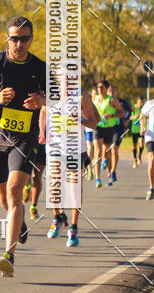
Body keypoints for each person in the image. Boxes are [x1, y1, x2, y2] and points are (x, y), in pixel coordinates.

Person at [0, 16, 47, 278]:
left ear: (31, 39)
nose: (19, 43)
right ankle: (19, 219)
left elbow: (59, 99)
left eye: (24, 38)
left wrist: (42, 99)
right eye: (14, 37)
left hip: (24, 139)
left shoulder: (39, 66)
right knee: (4, 199)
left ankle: (8, 255)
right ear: (7, 38)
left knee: (15, 191)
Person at [45, 89, 100, 246]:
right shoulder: (50, 94)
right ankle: (57, 218)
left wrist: (79, 121)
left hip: (76, 149)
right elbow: (43, 111)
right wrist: (42, 132)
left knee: (74, 190)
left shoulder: (82, 97)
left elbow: (95, 122)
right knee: (54, 185)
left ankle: (74, 228)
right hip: (55, 148)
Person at [93, 80, 124, 188]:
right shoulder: (95, 98)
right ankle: (97, 178)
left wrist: (111, 116)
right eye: (98, 87)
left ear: (106, 88)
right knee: (97, 151)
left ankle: (108, 170)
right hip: (97, 127)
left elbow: (122, 113)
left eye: (101, 87)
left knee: (107, 153)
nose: (99, 89)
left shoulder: (112, 100)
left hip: (109, 128)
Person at [110, 84, 131, 182]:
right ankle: (108, 169)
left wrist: (127, 120)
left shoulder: (122, 102)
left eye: (113, 91)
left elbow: (129, 110)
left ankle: (113, 171)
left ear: (116, 92)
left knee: (114, 149)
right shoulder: (105, 102)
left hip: (119, 129)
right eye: (110, 91)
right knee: (107, 151)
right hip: (107, 128)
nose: (111, 93)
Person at [140, 96, 154, 200]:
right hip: (151, 135)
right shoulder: (149, 103)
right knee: (152, 158)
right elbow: (142, 115)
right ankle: (151, 187)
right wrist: (142, 126)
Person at [130, 96, 145, 167]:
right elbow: (129, 117)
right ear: (137, 102)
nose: (141, 104)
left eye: (142, 103)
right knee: (135, 146)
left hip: (141, 130)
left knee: (142, 143)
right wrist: (134, 117)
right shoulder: (134, 108)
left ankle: (139, 155)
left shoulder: (144, 109)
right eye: (140, 103)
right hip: (134, 130)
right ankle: (135, 160)